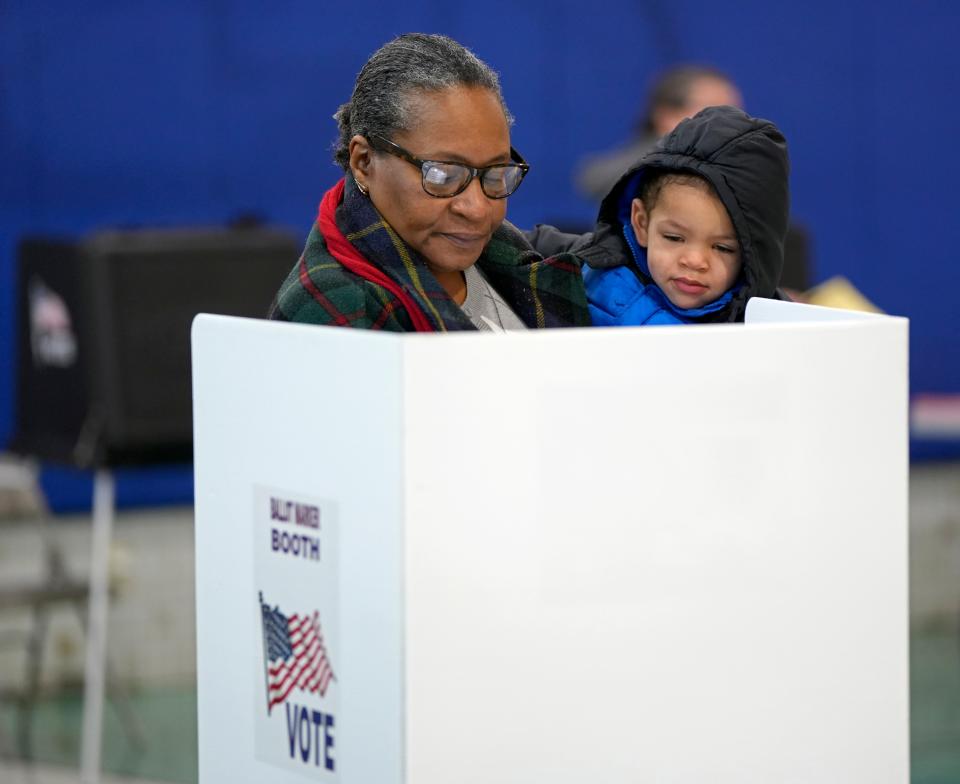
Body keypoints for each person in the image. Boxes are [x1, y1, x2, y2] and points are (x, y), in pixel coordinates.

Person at [269, 33, 590, 332]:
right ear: (363, 162)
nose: (477, 209)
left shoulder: (513, 254)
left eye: (495, 174)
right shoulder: (333, 317)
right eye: (442, 175)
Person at [528, 105, 790, 325]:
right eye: (674, 237)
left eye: (723, 247)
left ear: (752, 255)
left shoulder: (768, 329)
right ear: (641, 223)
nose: (694, 260)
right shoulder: (586, 263)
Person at [575, 65, 742, 203]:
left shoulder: (741, 164)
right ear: (667, 116)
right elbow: (594, 179)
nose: (731, 123)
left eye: (736, 113)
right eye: (715, 111)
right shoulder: (635, 165)